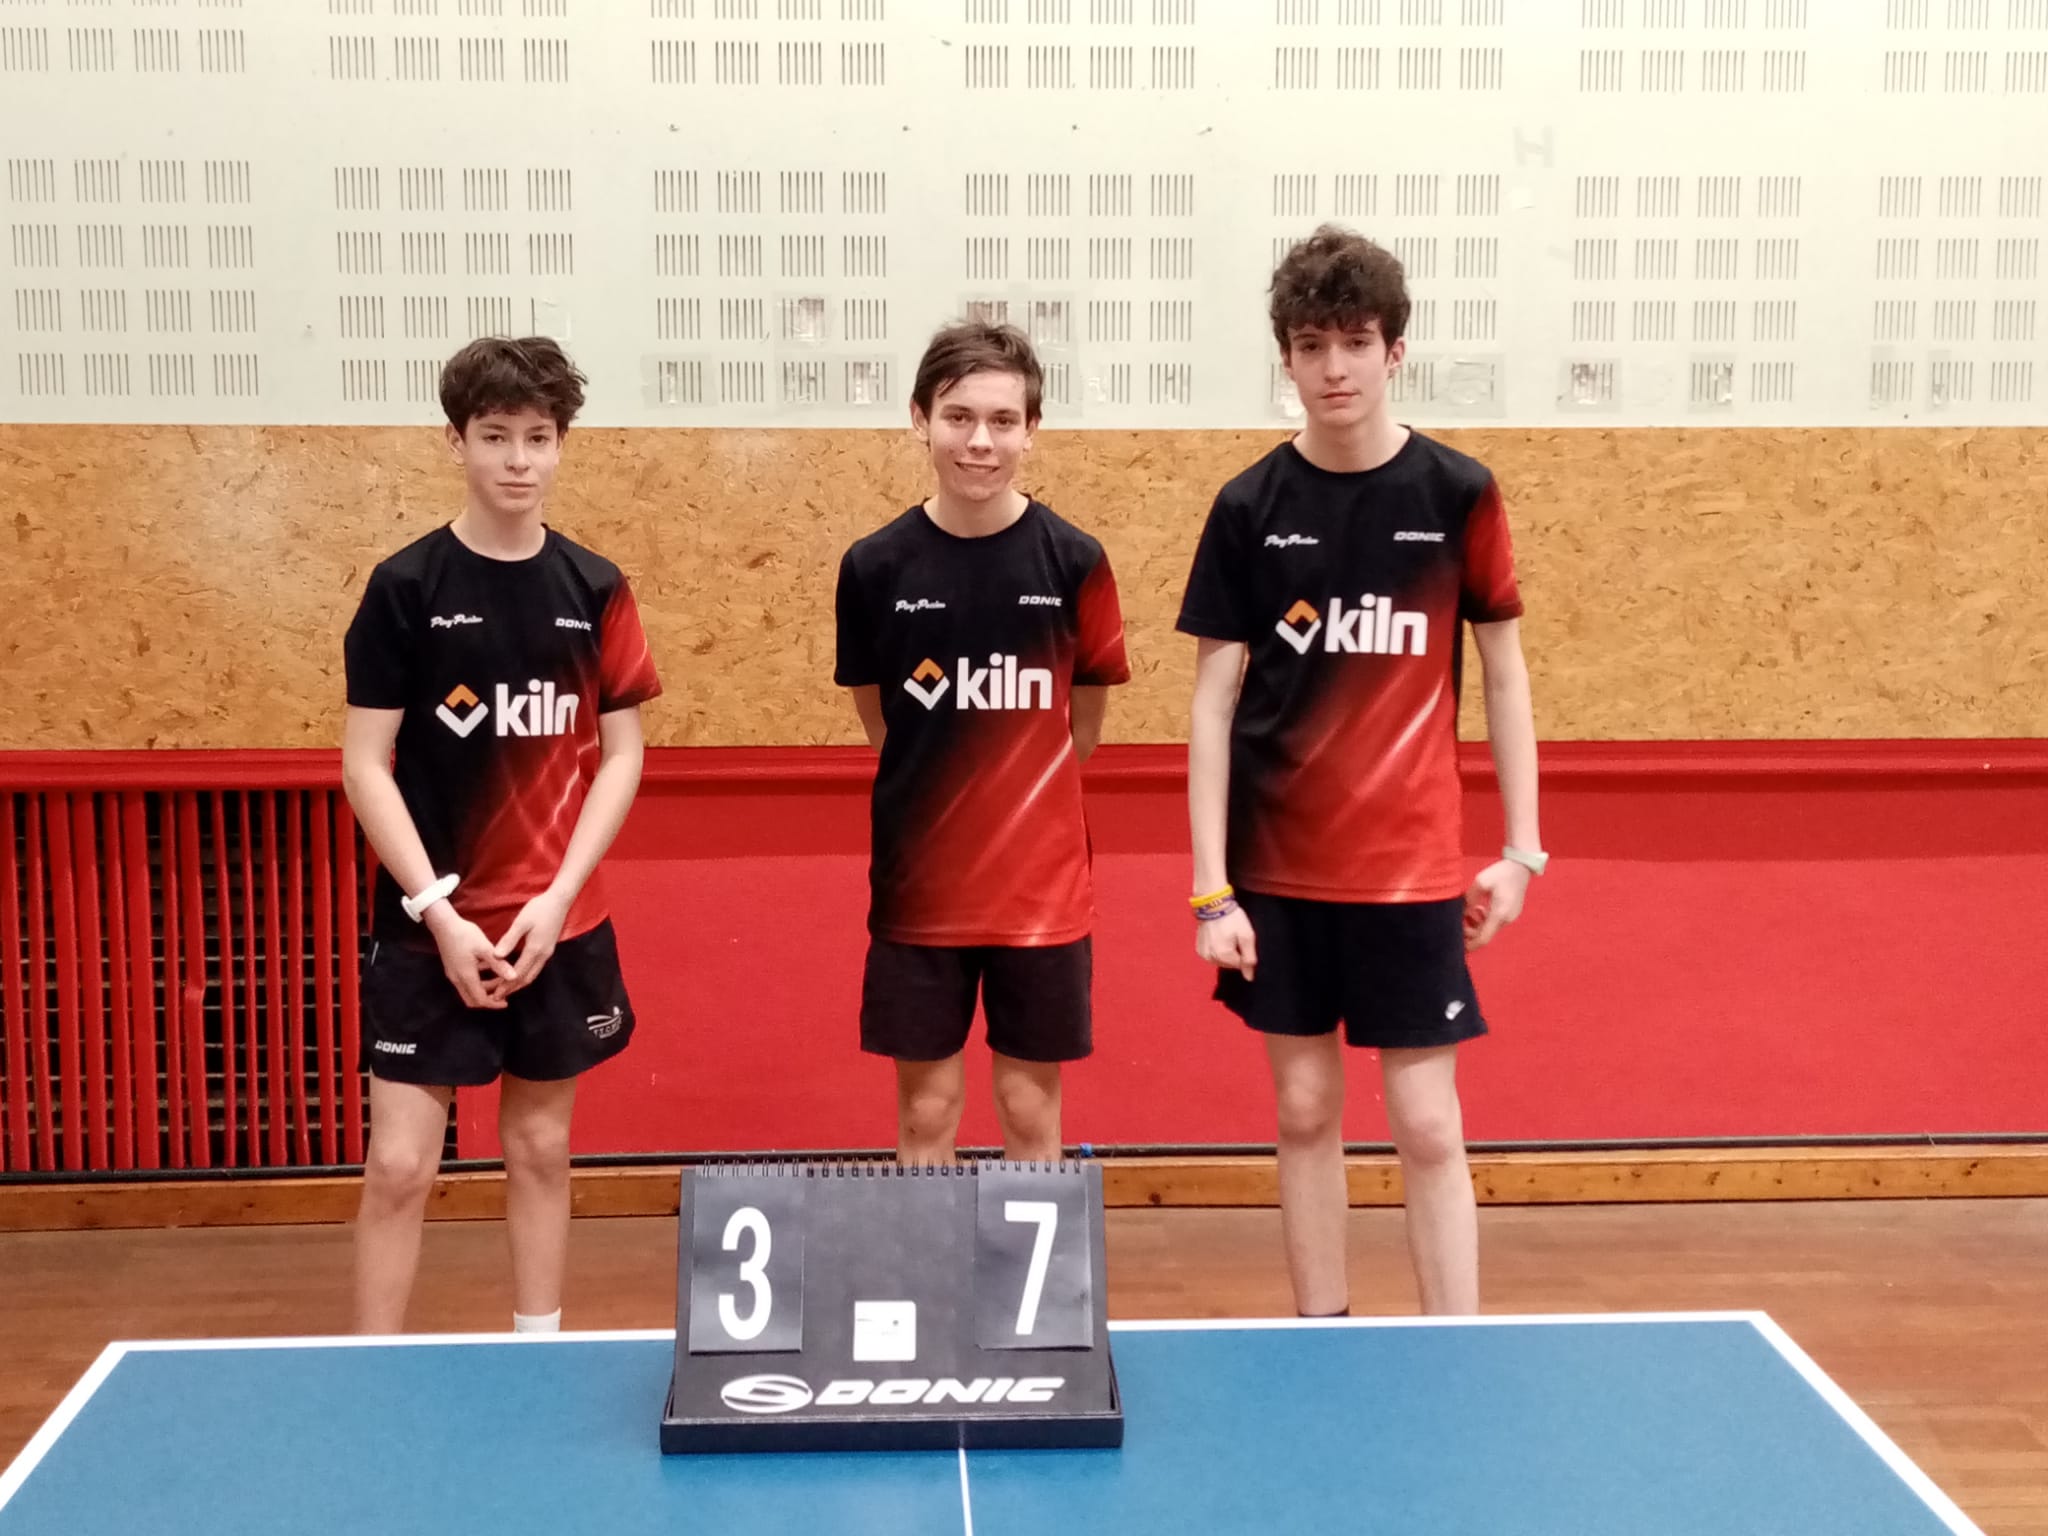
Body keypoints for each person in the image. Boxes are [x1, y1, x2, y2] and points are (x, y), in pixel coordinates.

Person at [1176, 226, 1545, 1316]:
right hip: (1280, 873)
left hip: (1410, 872)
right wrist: (1209, 889)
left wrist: (1521, 852)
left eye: (1353, 342)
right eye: (1310, 345)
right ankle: (1320, 1332)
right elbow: (1211, 705)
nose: (1332, 367)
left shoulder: (1457, 493)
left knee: (1427, 1124)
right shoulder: (1248, 508)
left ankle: (1452, 1346)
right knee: (1302, 1112)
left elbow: (1505, 676)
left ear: (1394, 352)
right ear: (1286, 360)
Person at [341, 336, 661, 1332]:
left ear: (561, 444)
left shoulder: (595, 587)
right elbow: (364, 764)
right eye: (494, 436)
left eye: (537, 437)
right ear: (456, 441)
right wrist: (437, 914)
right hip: (428, 929)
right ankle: (368, 1369)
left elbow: (621, 755)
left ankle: (537, 1348)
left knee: (539, 1148)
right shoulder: (406, 587)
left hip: (553, 927)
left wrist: (557, 899)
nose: (517, 460)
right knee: (400, 1165)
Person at [834, 321, 1130, 1165]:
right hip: (921, 892)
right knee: (925, 1113)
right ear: (919, 419)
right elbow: (884, 724)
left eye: (1003, 420)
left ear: (1031, 429)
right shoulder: (875, 567)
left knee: (1030, 1111)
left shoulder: (1075, 562)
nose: (980, 441)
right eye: (959, 417)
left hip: (1042, 895)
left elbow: (1081, 728)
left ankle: (1021, 1266)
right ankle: (929, 1261)